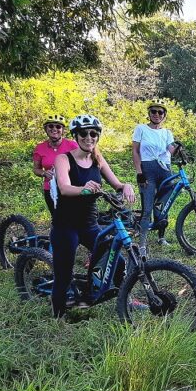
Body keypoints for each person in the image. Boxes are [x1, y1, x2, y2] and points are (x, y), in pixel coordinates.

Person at [50, 115, 135, 318]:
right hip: (65, 225)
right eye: (84, 133)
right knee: (64, 273)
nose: (89, 137)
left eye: (94, 133)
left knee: (117, 261)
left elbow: (117, 184)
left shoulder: (97, 158)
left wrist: (126, 186)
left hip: (89, 224)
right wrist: (84, 189)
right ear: (76, 136)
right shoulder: (64, 159)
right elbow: (64, 187)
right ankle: (57, 315)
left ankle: (101, 295)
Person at [132, 99, 176, 252]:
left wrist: (177, 147)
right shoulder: (141, 129)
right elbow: (135, 151)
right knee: (147, 207)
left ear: (164, 115)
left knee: (163, 206)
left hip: (165, 170)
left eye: (160, 112)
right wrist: (139, 173)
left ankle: (161, 237)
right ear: (149, 113)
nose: (157, 114)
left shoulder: (167, 132)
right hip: (147, 169)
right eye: (153, 111)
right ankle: (143, 243)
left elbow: (171, 149)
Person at [32, 115, 77, 215]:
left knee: (75, 217)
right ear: (46, 129)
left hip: (71, 186)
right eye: (51, 126)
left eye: (58, 127)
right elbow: (36, 169)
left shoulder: (73, 145)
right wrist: (44, 173)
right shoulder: (39, 148)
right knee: (57, 217)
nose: (54, 129)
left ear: (63, 130)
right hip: (51, 189)